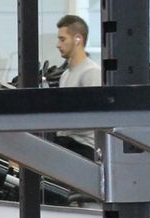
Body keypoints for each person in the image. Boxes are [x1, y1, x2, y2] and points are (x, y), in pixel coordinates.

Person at [54, 15, 99, 157]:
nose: (58, 45)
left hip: (83, 147)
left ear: (78, 39)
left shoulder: (91, 72)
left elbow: (95, 116)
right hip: (65, 142)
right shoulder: (65, 75)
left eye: (62, 39)